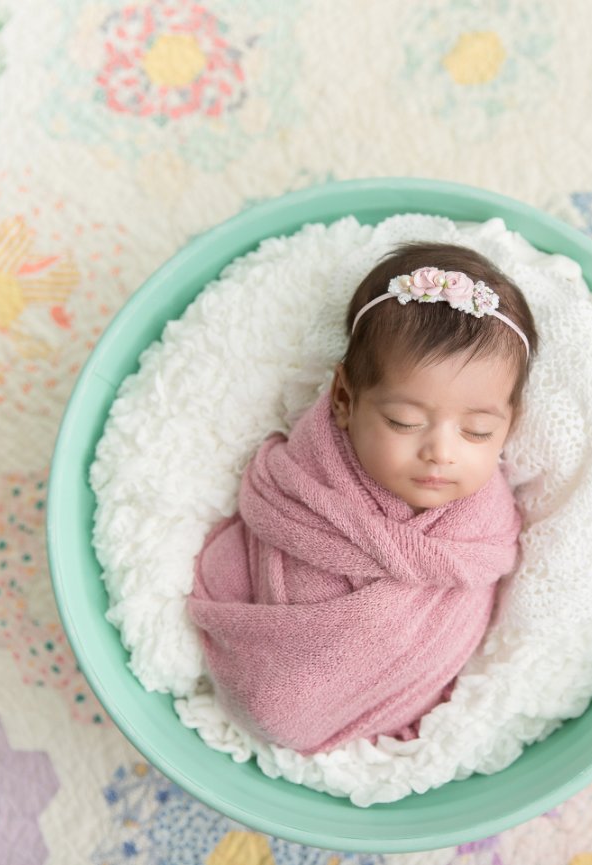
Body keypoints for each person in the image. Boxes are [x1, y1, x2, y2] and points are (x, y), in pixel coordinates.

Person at [186, 240, 541, 755]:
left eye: (478, 431)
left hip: (385, 686)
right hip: (272, 656)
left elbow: (472, 593)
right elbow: (256, 535)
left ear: (511, 425)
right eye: (404, 422)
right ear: (345, 400)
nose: (440, 452)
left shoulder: (482, 520)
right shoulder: (310, 476)